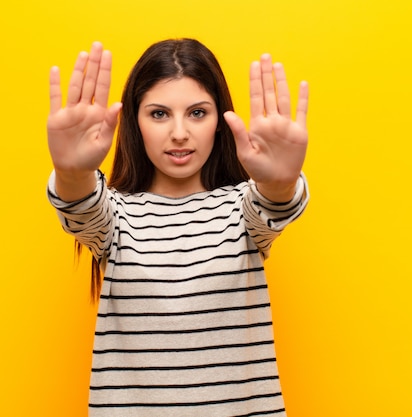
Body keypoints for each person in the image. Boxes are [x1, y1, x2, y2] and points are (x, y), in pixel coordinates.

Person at [46, 38, 310, 417]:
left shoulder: (241, 210)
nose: (180, 133)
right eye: (159, 114)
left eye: (198, 113)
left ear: (220, 120)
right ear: (135, 122)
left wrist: (281, 182)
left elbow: (275, 203)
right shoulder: (117, 217)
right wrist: (71, 173)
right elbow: (81, 206)